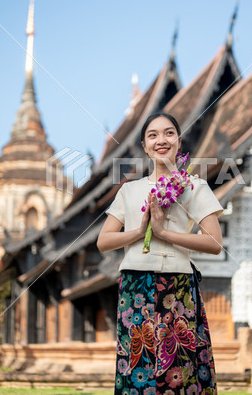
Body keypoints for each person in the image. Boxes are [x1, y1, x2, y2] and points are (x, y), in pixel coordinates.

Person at [97, 112, 224, 395]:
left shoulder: (195, 187)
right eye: (152, 135)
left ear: (178, 141)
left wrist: (165, 234)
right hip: (135, 285)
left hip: (177, 285)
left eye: (168, 133)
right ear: (144, 145)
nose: (161, 140)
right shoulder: (129, 191)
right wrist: (141, 230)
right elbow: (104, 241)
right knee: (137, 366)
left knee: (180, 368)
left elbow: (215, 242)